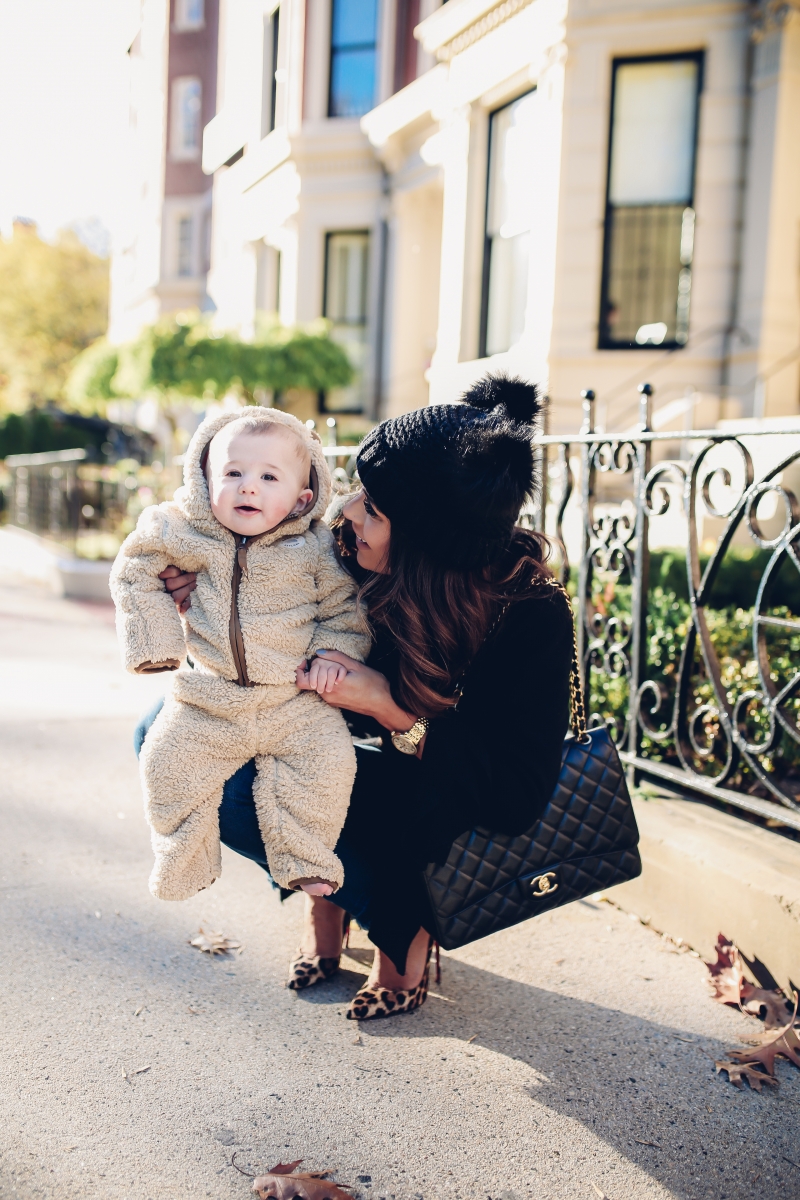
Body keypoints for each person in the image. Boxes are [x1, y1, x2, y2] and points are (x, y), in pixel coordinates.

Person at [137, 374, 573, 1020]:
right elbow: (254, 582)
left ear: (425, 540)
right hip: (326, 759)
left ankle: (399, 922)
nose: (347, 513)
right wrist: (194, 593)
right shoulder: (346, 555)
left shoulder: (527, 615)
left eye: (372, 508)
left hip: (436, 802)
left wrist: (393, 708)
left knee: (306, 784)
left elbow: (515, 794)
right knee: (166, 734)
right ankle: (332, 893)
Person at [113, 407, 370, 905]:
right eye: (232, 473)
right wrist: (156, 643)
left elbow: (344, 610)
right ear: (202, 478)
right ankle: (185, 861)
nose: (247, 487)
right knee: (165, 764)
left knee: (327, 768)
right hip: (210, 697)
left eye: (269, 477)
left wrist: (334, 655)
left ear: (303, 497)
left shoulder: (315, 548)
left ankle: (306, 860)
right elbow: (134, 570)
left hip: (294, 699)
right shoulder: (182, 530)